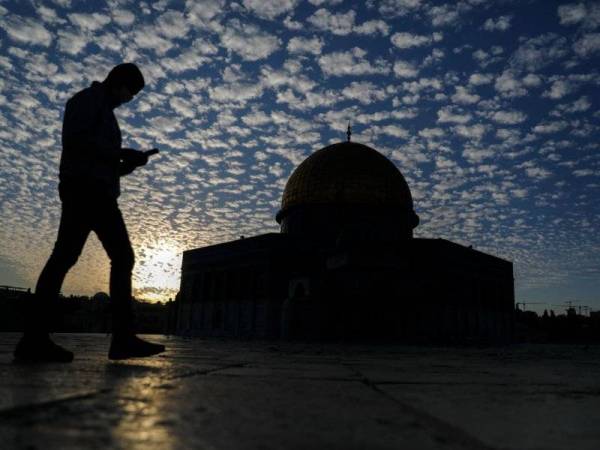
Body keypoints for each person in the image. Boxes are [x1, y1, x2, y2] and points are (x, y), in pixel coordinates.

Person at [14, 63, 165, 362]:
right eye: (130, 92)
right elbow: (77, 142)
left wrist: (128, 165)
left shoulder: (107, 116)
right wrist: (122, 153)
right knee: (110, 257)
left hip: (98, 191)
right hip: (85, 192)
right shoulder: (86, 101)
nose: (129, 99)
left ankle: (35, 339)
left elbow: (105, 163)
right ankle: (119, 339)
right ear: (118, 82)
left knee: (68, 258)